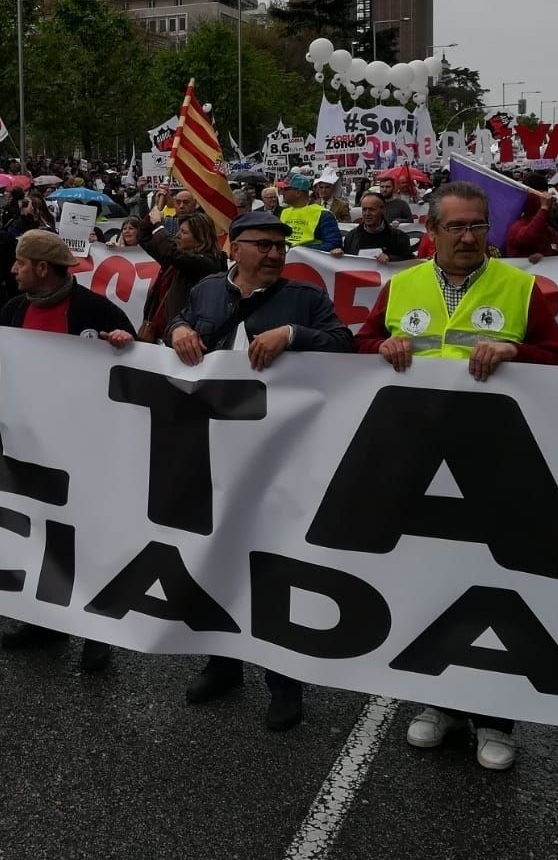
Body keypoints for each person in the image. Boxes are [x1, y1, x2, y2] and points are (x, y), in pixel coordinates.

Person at [355, 180, 558, 772]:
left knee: (498, 589)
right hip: (416, 461)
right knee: (427, 583)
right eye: (456, 226)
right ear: (431, 232)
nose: (470, 236)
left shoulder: (522, 288)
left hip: (496, 462)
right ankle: (434, 702)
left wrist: (516, 353)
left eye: (478, 225)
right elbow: (364, 344)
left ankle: (496, 716)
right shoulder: (403, 286)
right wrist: (384, 344)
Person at [167, 210, 355, 731]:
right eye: (264, 245)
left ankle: (283, 680)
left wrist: (292, 334)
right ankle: (223, 665)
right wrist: (181, 328)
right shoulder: (206, 291)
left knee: (274, 569)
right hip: (210, 453)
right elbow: (172, 324)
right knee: (215, 558)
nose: (275, 254)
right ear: (234, 247)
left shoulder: (306, 300)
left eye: (281, 246)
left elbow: (345, 345)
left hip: (279, 458)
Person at [0, 230, 135, 672]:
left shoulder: (95, 310)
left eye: (20, 263)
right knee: (41, 535)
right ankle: (46, 622)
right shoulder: (13, 310)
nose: (13, 270)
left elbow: (137, 371)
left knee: (88, 540)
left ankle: (97, 632)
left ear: (41, 268)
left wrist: (124, 344)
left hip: (85, 449)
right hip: (31, 445)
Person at [138, 211, 226, 343]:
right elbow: (145, 239)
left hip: (183, 339)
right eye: (179, 230)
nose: (178, 235)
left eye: (184, 232)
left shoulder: (208, 263)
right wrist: (151, 215)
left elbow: (171, 251)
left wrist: (158, 225)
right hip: (158, 335)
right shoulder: (177, 257)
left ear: (200, 238)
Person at [338, 191, 414, 261]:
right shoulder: (352, 236)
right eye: (364, 209)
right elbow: (347, 261)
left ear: (383, 210)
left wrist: (390, 258)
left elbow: (409, 262)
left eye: (371, 209)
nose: (367, 213)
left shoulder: (399, 237)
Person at [279, 177, 342, 250]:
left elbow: (334, 244)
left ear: (298, 193)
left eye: (285, 189)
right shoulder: (284, 212)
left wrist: (299, 250)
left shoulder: (323, 214)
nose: (281, 192)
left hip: (306, 260)